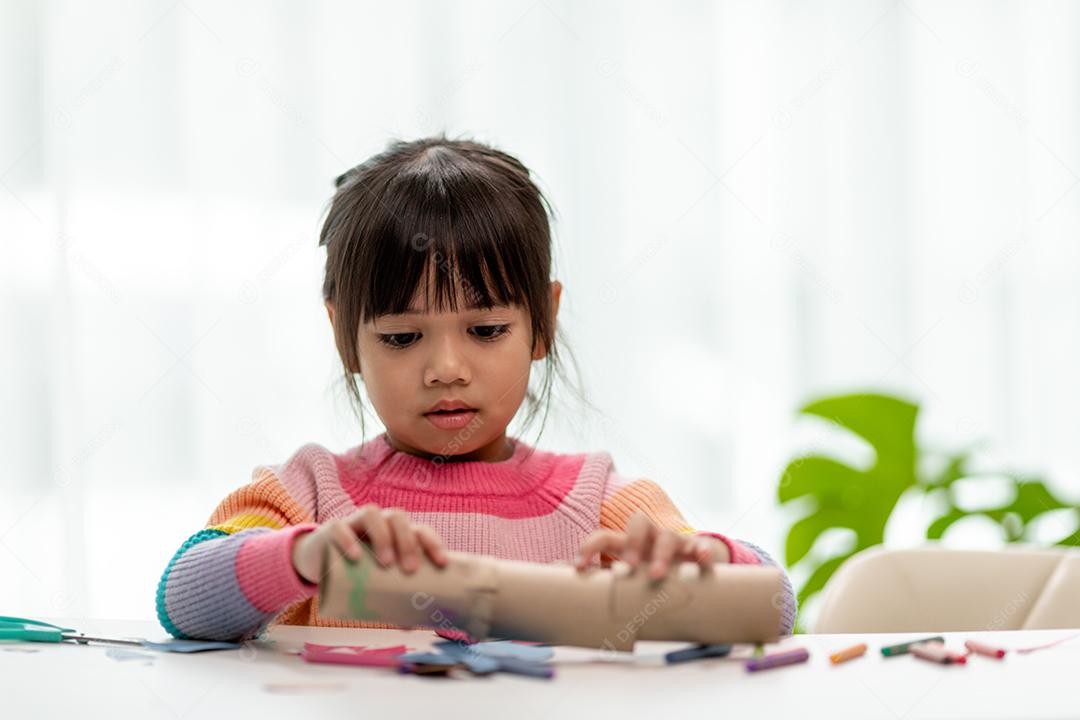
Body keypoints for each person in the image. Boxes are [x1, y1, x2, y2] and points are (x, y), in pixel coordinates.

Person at [155, 136, 797, 642]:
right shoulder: (311, 496)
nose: (447, 368)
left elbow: (773, 605)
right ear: (343, 334)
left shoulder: (602, 501)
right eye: (403, 338)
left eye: (486, 329)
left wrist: (694, 561)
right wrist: (305, 557)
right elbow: (183, 597)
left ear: (542, 322)